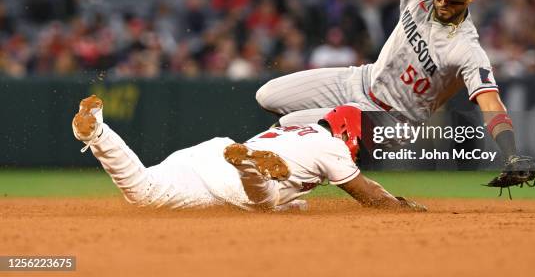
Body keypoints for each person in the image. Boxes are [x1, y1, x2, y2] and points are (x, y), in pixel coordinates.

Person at [255, 0, 535, 194]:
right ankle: (314, 159)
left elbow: (491, 103)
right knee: (266, 95)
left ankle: (279, 183)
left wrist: (511, 154)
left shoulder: (466, 49)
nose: (442, 1)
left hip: (390, 118)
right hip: (359, 79)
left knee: (289, 126)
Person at [71, 95, 426, 211]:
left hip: (212, 151)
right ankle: (251, 169)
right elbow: (365, 192)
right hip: (234, 177)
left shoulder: (290, 129)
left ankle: (98, 130)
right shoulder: (332, 147)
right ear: (350, 134)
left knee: (142, 188)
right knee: (266, 202)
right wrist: (399, 206)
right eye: (362, 141)